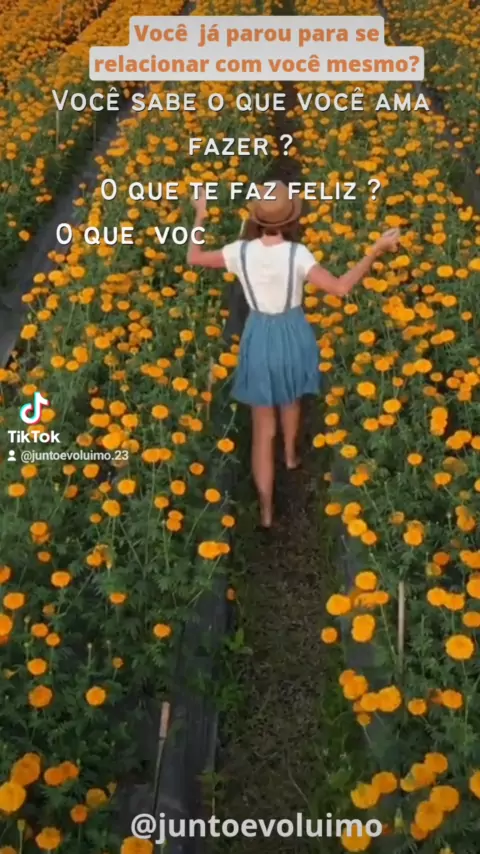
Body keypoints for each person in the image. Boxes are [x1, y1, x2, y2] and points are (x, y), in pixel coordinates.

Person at [186, 181, 400, 530]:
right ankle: (290, 456)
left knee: (262, 430)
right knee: (292, 396)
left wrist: (200, 215)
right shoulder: (298, 255)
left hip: (258, 335)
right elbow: (341, 288)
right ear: (290, 220)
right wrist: (375, 250)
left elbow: (193, 257)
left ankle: (266, 511)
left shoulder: (239, 252)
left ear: (256, 218)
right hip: (293, 331)